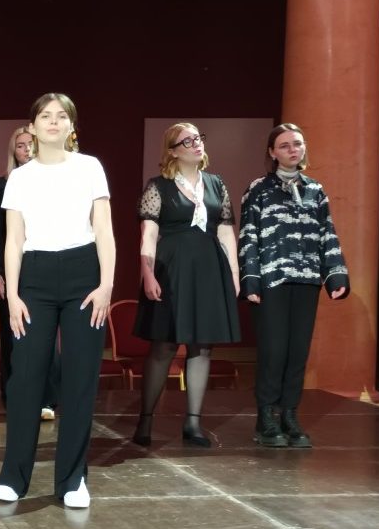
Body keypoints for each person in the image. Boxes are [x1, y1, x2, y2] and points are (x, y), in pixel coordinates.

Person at [0, 92, 115, 510]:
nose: (53, 121)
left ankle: (73, 479)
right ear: (32, 126)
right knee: (26, 379)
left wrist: (106, 285)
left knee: (80, 380)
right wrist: (13, 295)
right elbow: (13, 240)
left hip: (84, 273)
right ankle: (13, 476)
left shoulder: (89, 167)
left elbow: (104, 230)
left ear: (71, 125)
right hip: (35, 276)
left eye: (61, 116)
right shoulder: (21, 177)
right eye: (45, 116)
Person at [238, 123, 349, 449]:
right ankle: (266, 416)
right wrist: (250, 279)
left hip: (307, 279)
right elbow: (249, 236)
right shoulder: (258, 189)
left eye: (297, 144)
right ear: (272, 152)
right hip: (272, 279)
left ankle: (289, 414)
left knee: (297, 351)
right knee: (274, 351)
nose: (292, 150)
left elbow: (327, 233)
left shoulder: (315, 189)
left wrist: (335, 275)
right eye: (285, 145)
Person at [132, 123, 241, 448]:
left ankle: (193, 423)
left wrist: (233, 275)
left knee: (202, 345)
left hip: (209, 270)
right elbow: (149, 234)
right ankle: (146, 419)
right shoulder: (159, 186)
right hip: (171, 268)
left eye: (198, 138)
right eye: (187, 141)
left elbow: (225, 232)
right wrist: (147, 273)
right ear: (173, 151)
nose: (196, 144)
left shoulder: (216, 184)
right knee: (164, 345)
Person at [0, 127, 58, 421]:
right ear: (13, 151)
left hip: (44, 267)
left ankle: (47, 399)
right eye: (20, 145)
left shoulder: (54, 182)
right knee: (12, 335)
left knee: (46, 335)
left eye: (31, 144)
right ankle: (14, 395)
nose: (27, 149)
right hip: (10, 269)